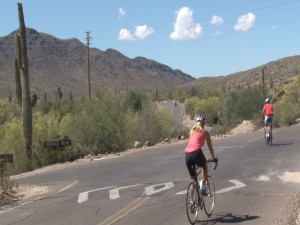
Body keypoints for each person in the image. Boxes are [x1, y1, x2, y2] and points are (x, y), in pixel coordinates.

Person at [185, 114, 217, 195]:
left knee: (193, 179)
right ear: (203, 123)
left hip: (187, 155)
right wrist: (214, 158)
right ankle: (203, 188)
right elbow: (210, 148)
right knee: (204, 166)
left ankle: (191, 202)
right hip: (196, 152)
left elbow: (191, 143)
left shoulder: (191, 132)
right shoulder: (205, 132)